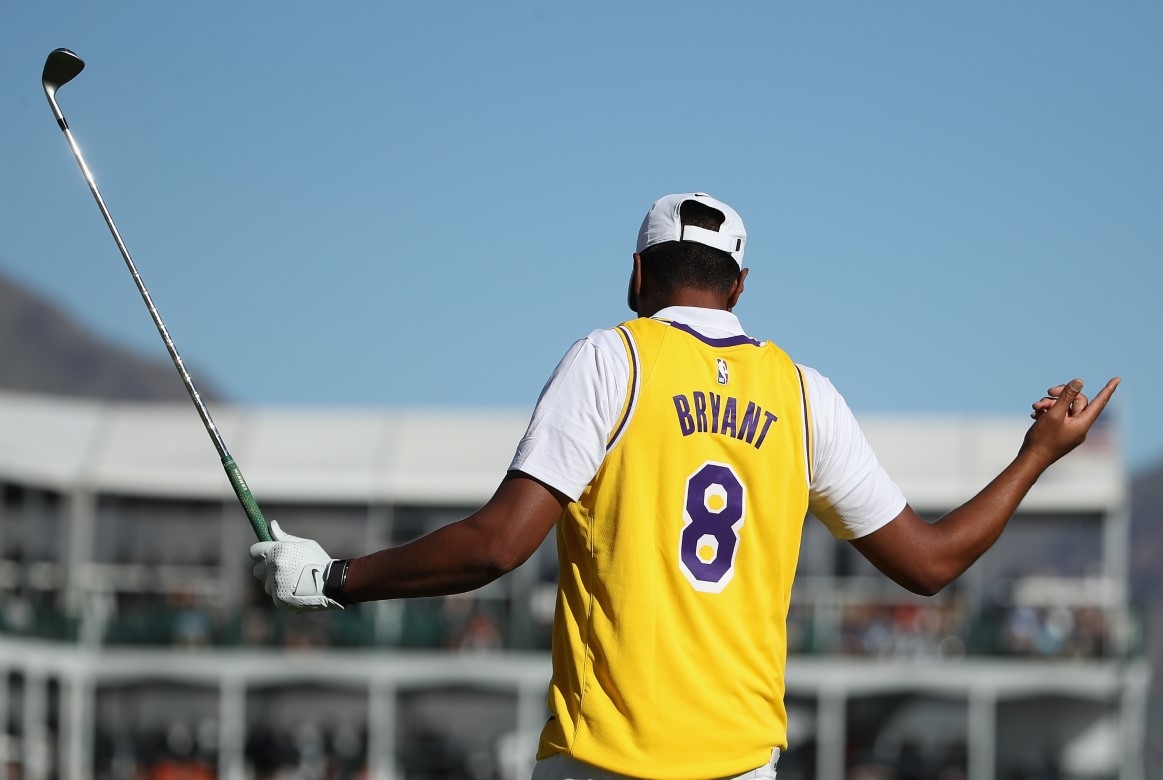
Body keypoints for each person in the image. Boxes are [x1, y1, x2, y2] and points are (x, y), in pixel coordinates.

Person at [251, 192, 1119, 780]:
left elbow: (495, 546)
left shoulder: (610, 359)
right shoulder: (802, 393)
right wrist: (1037, 452)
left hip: (602, 762)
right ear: (740, 288)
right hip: (740, 767)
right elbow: (931, 564)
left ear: (636, 276)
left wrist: (331, 580)